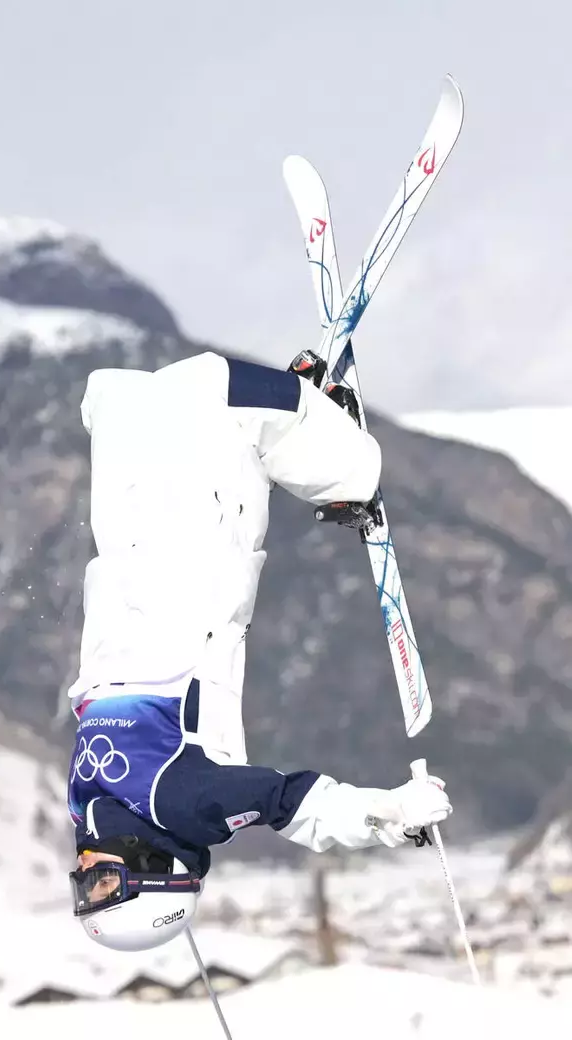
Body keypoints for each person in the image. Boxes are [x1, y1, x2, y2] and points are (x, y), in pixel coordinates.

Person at [67, 351, 452, 952]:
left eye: (83, 884)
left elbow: (289, 802)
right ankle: (293, 410)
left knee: (346, 470)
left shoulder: (178, 807)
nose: (88, 867)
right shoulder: (89, 801)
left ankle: (313, 415)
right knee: (159, 453)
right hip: (124, 560)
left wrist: (389, 817)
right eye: (101, 881)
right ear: (151, 873)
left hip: (183, 583)